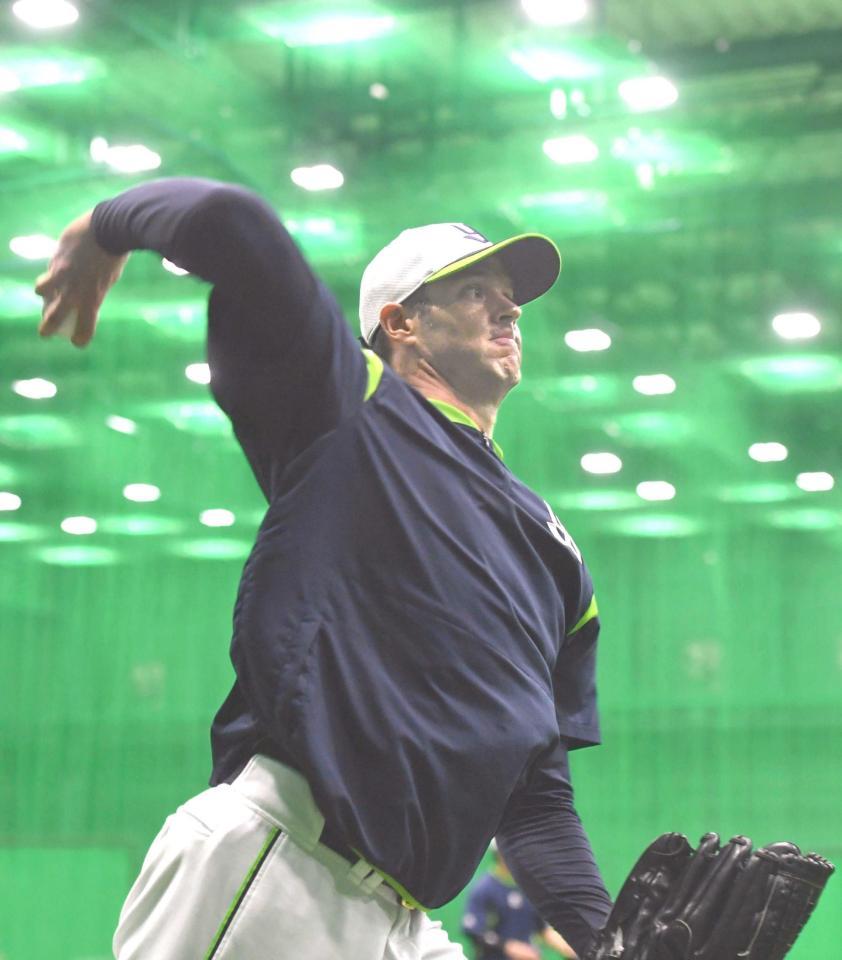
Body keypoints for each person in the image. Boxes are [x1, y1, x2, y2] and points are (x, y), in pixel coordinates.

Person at [35, 178, 613, 960]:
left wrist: (616, 946)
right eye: (475, 291)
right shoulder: (354, 412)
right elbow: (231, 223)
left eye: (509, 297)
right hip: (280, 868)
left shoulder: (553, 552)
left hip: (401, 920)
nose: (508, 310)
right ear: (399, 322)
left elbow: (536, 804)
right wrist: (106, 227)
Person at [462, 842, 575, 960]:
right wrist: (508, 947)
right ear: (499, 854)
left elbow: (541, 928)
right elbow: (474, 932)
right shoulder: (484, 889)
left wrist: (567, 947)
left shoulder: (531, 888)